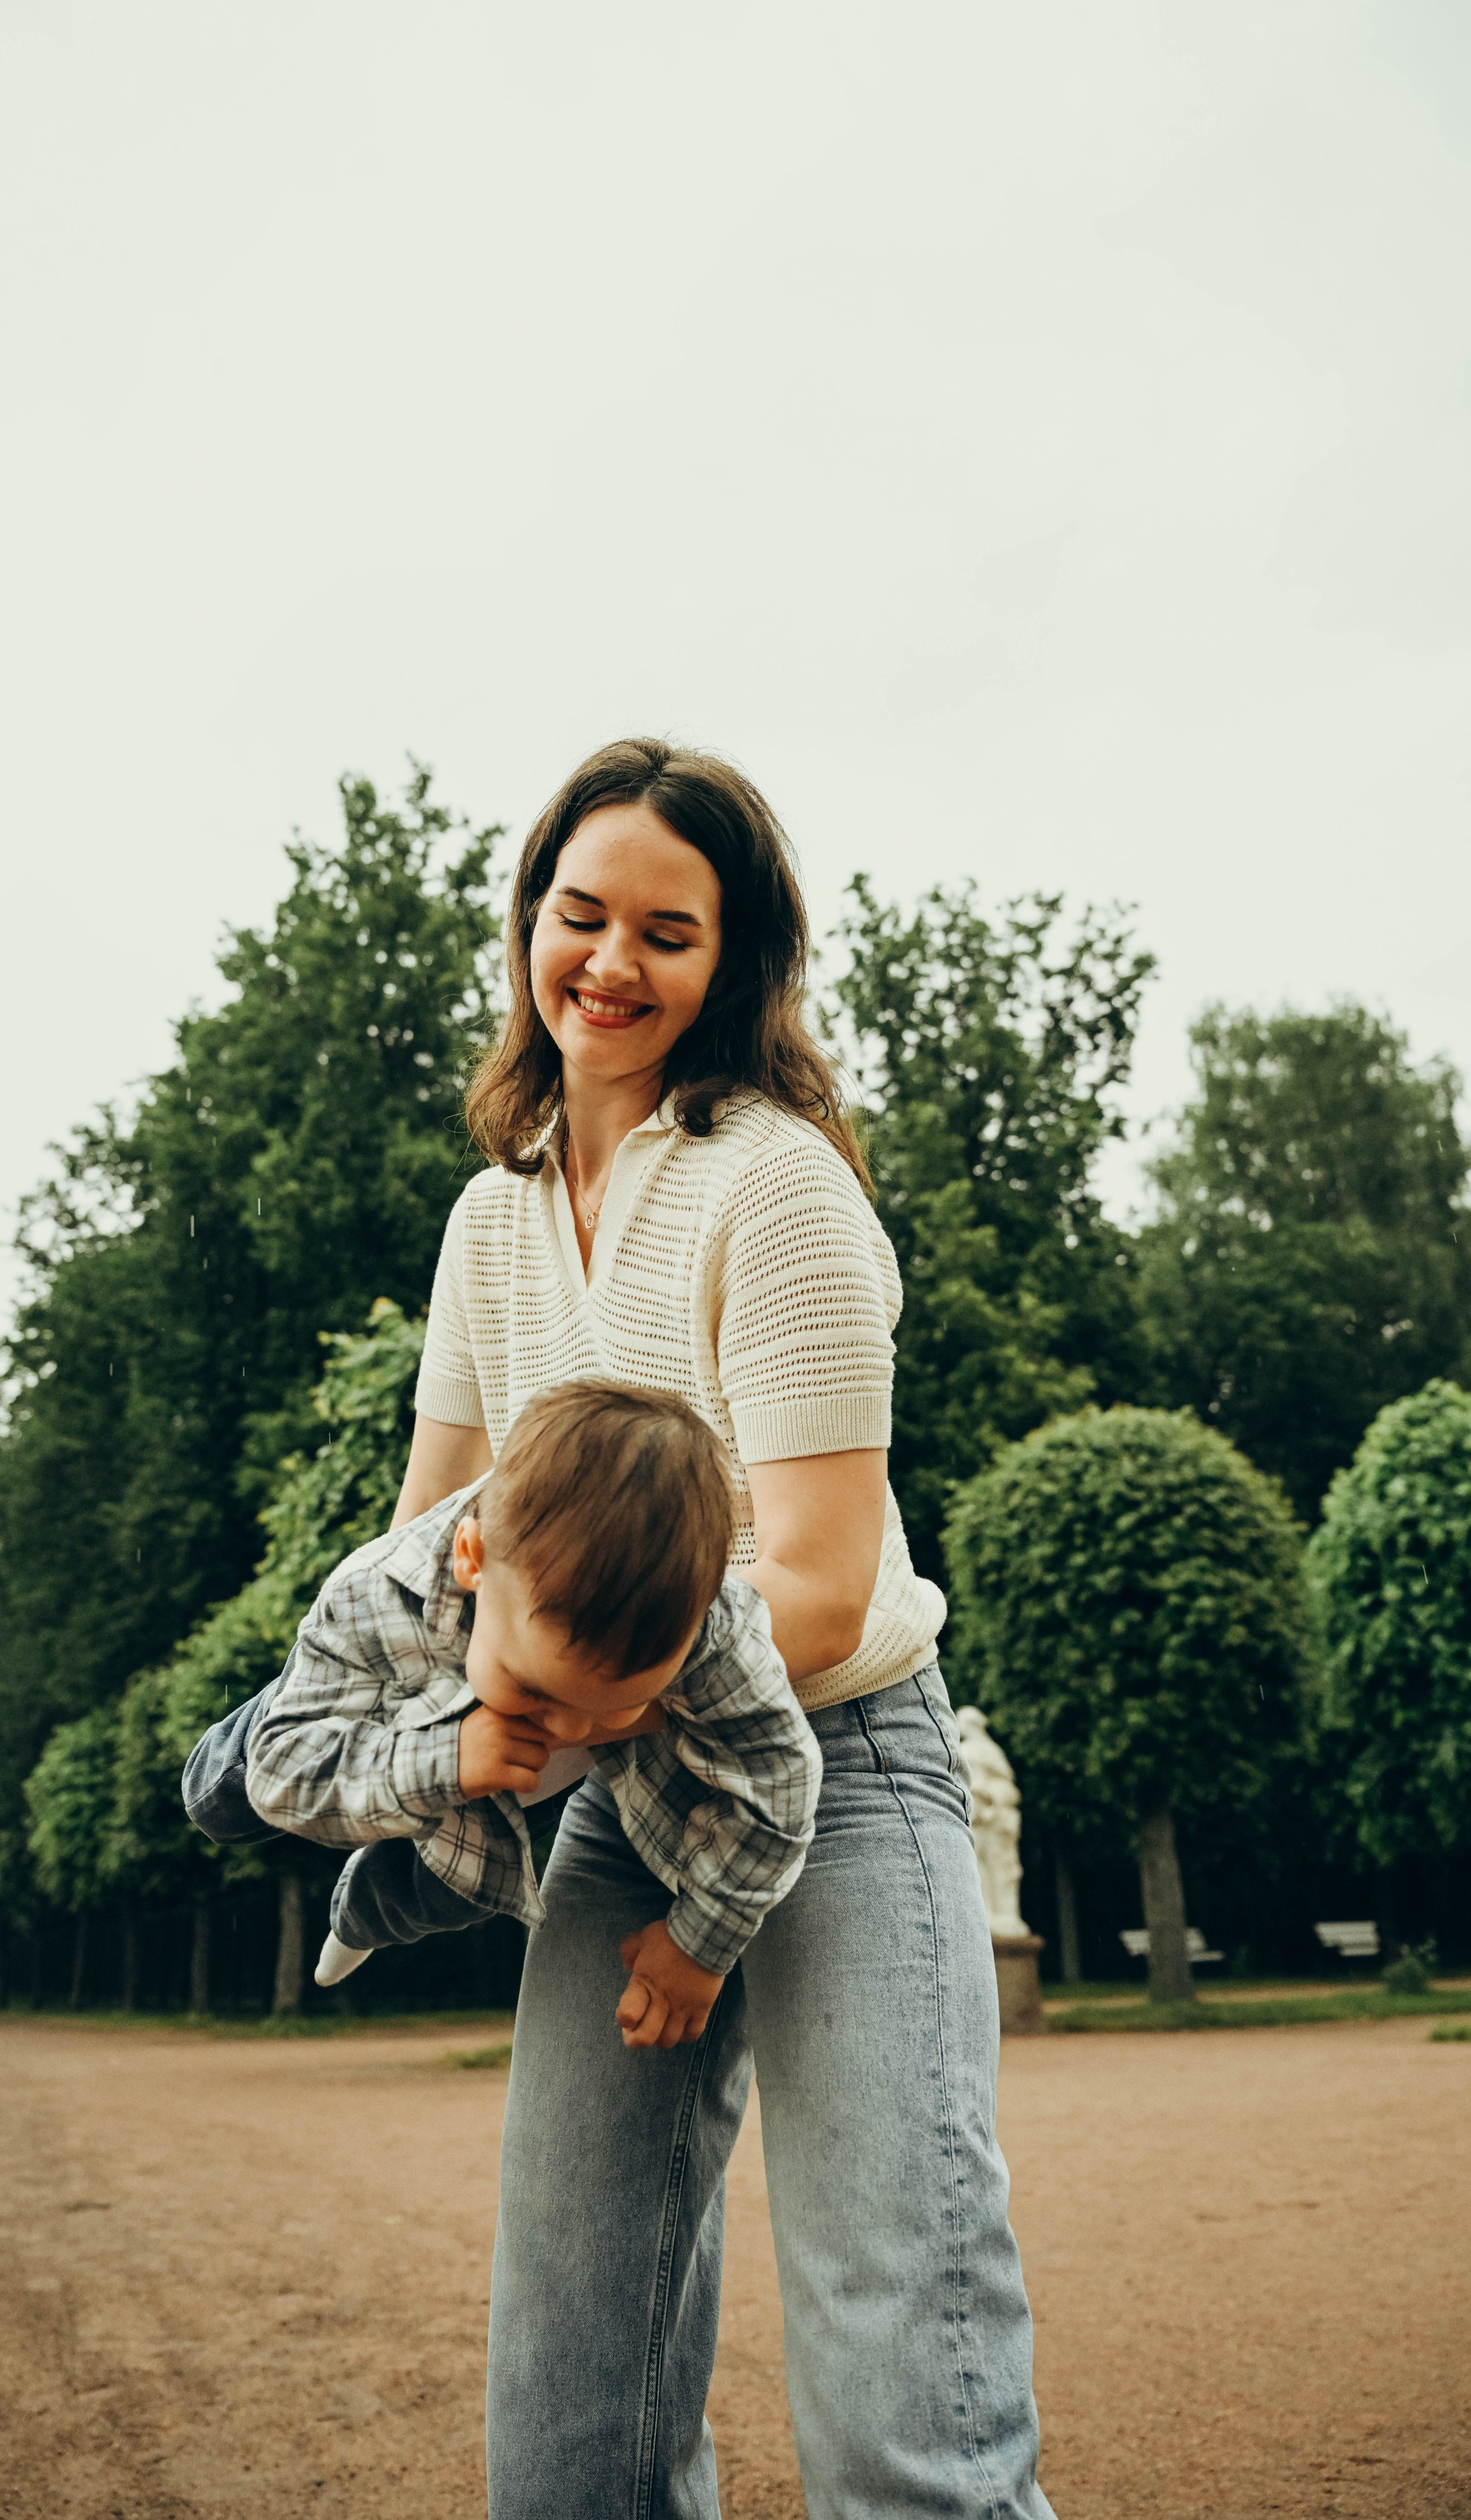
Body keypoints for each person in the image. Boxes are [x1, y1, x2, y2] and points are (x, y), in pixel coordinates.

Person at [394, 737, 1057, 2519]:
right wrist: (411, 1727)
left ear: (732, 961)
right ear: (529, 924)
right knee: (570, 2402)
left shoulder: (779, 1184)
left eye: (665, 933)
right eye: (579, 914)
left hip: (842, 1766)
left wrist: (560, 1662)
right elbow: (426, 1546)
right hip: (624, 1799)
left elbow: (826, 1584)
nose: (609, 963)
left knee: (894, 2376)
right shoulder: (489, 1222)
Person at [181, 1380, 822, 2048]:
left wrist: (700, 1944)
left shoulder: (715, 1632)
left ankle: (351, 1926)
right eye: (540, 1691)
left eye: (620, 1706)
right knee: (220, 1801)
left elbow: (780, 1786)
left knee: (454, 1888)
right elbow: (282, 1773)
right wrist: (445, 1757)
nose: (573, 1730)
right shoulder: (371, 1594)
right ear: (471, 1559)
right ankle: (219, 1772)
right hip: (390, 1682)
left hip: (488, 1773)